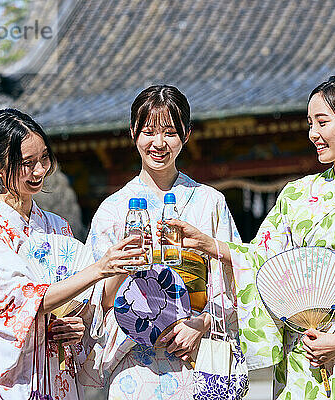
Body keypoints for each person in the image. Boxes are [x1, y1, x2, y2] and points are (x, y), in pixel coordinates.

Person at [162, 73, 335, 400]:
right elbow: (264, 260)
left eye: (322, 123)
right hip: (299, 354)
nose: (313, 134)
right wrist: (209, 245)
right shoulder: (297, 194)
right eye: (310, 124)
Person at [0, 108, 145, 399]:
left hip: (58, 373)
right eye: (26, 163)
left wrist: (79, 321)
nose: (40, 170)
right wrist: (99, 269)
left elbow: (84, 301)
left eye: (44, 158)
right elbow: (27, 301)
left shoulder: (56, 226)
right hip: (12, 381)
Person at [87, 85, 242, 399]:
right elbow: (96, 301)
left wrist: (201, 322)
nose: (158, 143)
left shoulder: (210, 202)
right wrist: (123, 265)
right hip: (135, 364)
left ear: (186, 134)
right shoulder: (113, 210)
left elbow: (236, 275)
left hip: (198, 358)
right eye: (148, 131)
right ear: (133, 133)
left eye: (170, 132)